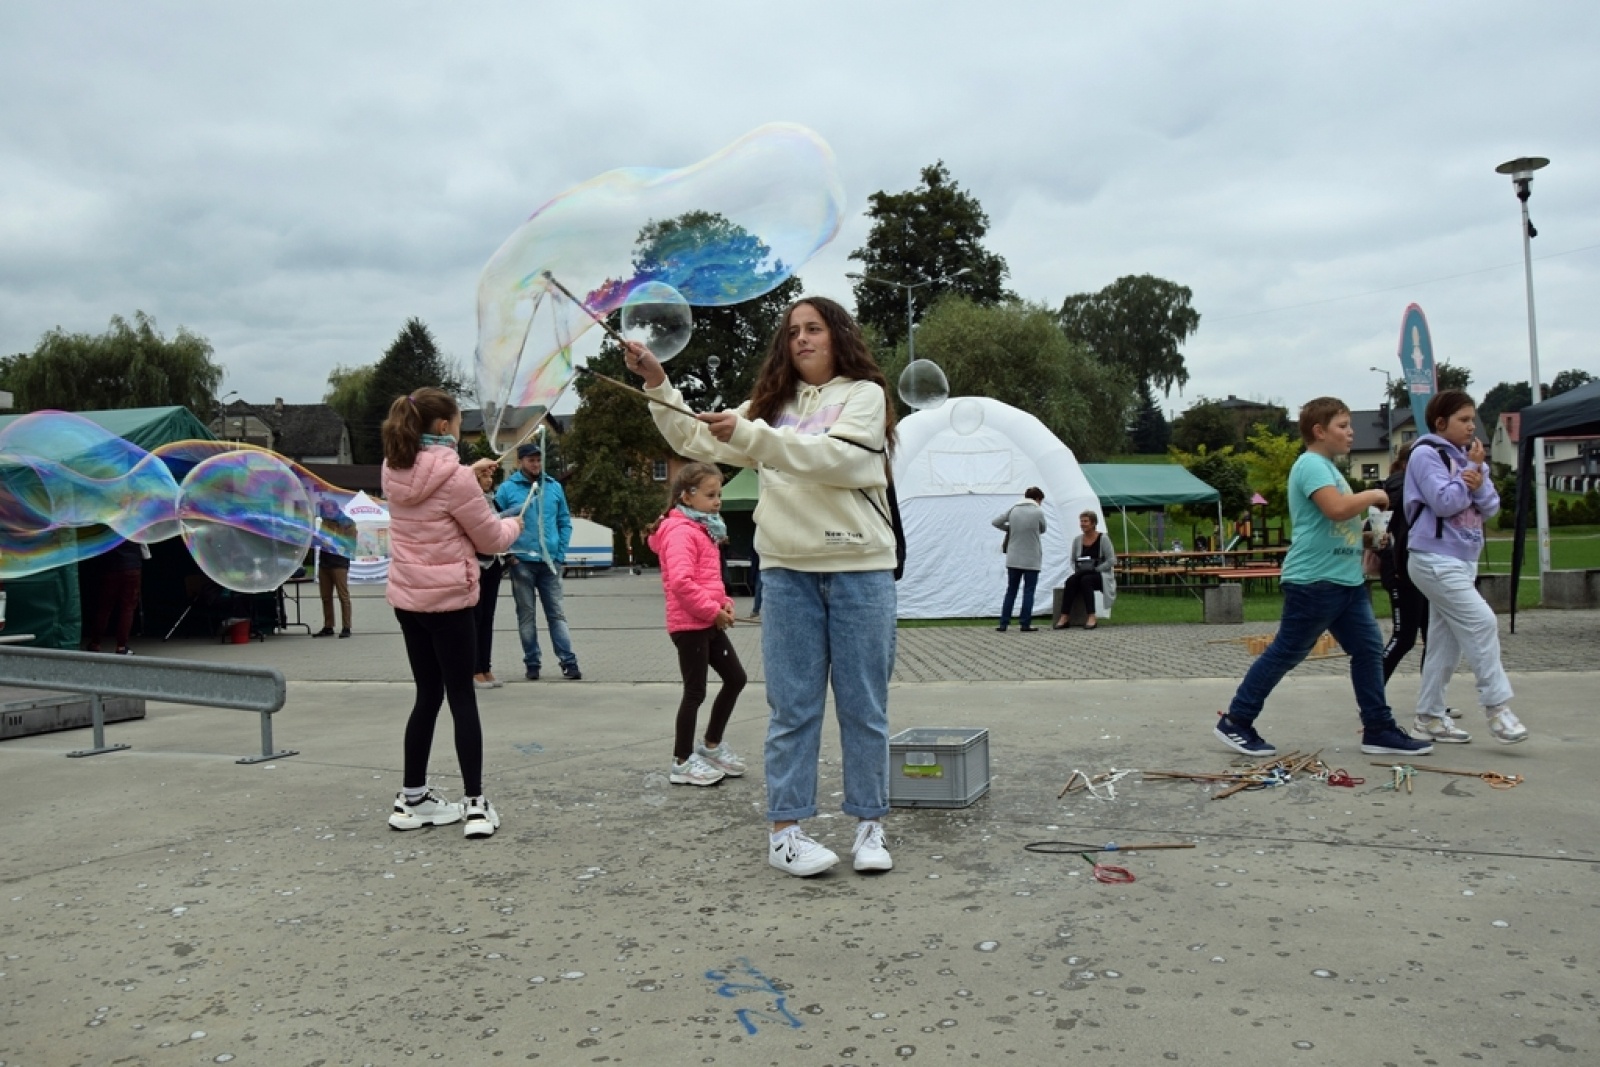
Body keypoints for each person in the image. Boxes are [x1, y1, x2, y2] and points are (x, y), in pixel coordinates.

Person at [626, 296, 897, 878]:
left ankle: (869, 824)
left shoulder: (865, 395)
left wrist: (753, 435)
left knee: (864, 707)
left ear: (837, 336)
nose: (801, 339)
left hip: (861, 569)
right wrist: (658, 383)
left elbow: (837, 458)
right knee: (792, 707)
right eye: (793, 331)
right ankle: (786, 832)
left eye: (814, 329)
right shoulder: (767, 408)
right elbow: (695, 441)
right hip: (787, 570)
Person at [1213, 397, 1433, 758]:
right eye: (1343, 426)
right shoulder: (1311, 465)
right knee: (1288, 651)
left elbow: (1336, 524)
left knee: (1368, 650)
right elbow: (1335, 509)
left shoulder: (1330, 470)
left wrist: (1370, 538)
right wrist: (1374, 494)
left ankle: (1378, 728)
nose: (1351, 433)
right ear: (1319, 431)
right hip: (1315, 581)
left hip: (1346, 581)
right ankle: (1236, 720)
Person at [381, 387, 522, 839]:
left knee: (427, 696)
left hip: (409, 602)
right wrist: (518, 520)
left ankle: (412, 798)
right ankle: (476, 805)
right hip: (450, 603)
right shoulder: (456, 478)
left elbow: (436, 490)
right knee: (463, 697)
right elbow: (492, 540)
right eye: (458, 422)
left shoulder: (393, 467)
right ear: (443, 427)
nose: (460, 428)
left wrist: (469, 475)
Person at [1404, 390, 1526, 744]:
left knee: (1446, 643)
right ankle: (1497, 708)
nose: (1471, 427)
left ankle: (1428, 717)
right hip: (1432, 557)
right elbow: (1444, 503)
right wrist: (1469, 476)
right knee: (1481, 621)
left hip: (1463, 559)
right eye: (1463, 419)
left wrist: (1476, 475)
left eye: (1473, 419)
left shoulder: (1471, 459)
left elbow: (1490, 506)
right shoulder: (1425, 455)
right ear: (1441, 423)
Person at [646, 461, 750, 788]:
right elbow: (681, 582)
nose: (718, 500)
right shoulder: (680, 531)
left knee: (735, 678)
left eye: (719, 493)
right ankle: (681, 761)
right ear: (687, 497)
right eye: (710, 494)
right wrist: (712, 611)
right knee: (695, 691)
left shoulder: (705, 528)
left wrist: (725, 605)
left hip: (707, 619)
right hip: (689, 624)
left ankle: (711, 746)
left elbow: (710, 580)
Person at [493, 443, 582, 681]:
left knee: (557, 614)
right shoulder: (507, 489)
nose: (535, 464)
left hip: (550, 561)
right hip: (521, 562)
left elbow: (564, 521)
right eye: (531, 460)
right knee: (526, 615)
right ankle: (532, 662)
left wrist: (560, 553)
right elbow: (495, 524)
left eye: (538, 460)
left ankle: (568, 661)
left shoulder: (553, 487)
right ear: (521, 461)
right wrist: (508, 556)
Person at [472, 463, 508, 690]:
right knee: (476, 617)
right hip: (477, 565)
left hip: (494, 563)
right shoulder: (472, 502)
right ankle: (474, 669)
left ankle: (486, 666)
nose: (488, 480)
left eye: (490, 476)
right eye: (483, 475)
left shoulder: (492, 500)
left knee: (488, 617)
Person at [993, 487, 1047, 632]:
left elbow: (996, 522)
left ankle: (1004, 623)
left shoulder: (1014, 509)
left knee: (1011, 590)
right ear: (1037, 499)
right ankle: (1025, 623)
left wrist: (1010, 529)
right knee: (1029, 591)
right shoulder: (1038, 512)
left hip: (1014, 557)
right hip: (1032, 557)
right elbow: (1043, 529)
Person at [1055, 511, 1116, 630]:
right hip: (1082, 571)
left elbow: (1111, 560)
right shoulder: (1077, 540)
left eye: (1085, 521)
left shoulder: (1103, 539)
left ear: (1093, 523)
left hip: (1100, 574)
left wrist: (1096, 569)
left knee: (1086, 580)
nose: (1083, 524)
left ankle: (1091, 616)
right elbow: (1073, 560)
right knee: (1070, 581)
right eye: (1081, 521)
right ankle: (1064, 616)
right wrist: (1078, 569)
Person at [85, 539, 144, 654]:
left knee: (104, 607)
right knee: (127, 607)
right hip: (132, 567)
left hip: (110, 567)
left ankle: (95, 643)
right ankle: (121, 647)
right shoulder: (134, 525)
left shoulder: (109, 525)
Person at [311, 501, 354, 639]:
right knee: (325, 596)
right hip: (325, 562)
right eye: (324, 509)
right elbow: (318, 540)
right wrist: (316, 539)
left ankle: (346, 627)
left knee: (343, 596)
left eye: (328, 509)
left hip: (340, 563)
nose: (325, 511)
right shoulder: (324, 522)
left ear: (335, 509)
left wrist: (335, 541)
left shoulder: (347, 522)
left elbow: (351, 543)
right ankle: (328, 626)